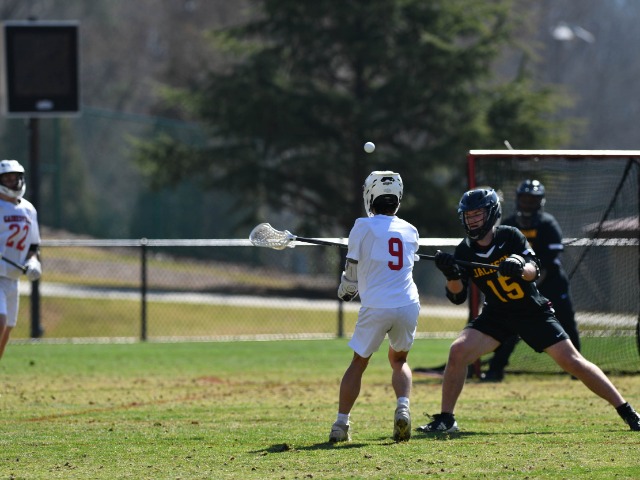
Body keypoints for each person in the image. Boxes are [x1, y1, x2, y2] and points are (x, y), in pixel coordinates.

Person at [417, 187, 640, 433]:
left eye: (477, 214)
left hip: (531, 312)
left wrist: (519, 266)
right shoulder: (464, 250)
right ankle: (446, 419)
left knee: (573, 362)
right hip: (497, 314)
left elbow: (533, 269)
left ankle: (627, 411)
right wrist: (450, 274)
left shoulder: (510, 235)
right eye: (468, 216)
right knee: (458, 351)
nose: (473, 220)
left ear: (491, 214)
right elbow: (457, 296)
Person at [329, 170, 421, 443]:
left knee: (359, 362)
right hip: (407, 303)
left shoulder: (361, 226)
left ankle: (340, 425)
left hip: (377, 305)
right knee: (399, 360)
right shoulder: (410, 230)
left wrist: (346, 289)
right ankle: (402, 408)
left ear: (370, 197)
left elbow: (352, 271)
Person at [482, 179, 580, 382]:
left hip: (551, 283)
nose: (528, 204)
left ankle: (578, 371)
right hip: (520, 288)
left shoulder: (548, 224)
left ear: (540, 201)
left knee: (567, 323)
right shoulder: (509, 225)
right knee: (511, 326)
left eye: (532, 199)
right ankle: (495, 370)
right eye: (525, 199)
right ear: (518, 200)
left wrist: (532, 279)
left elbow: (550, 261)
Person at [0, 159, 42, 360]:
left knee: (7, 329)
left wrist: (33, 261)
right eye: (7, 179)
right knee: (0, 322)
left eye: (14, 178)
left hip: (13, 277)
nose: (12, 182)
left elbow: (33, 245)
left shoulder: (28, 209)